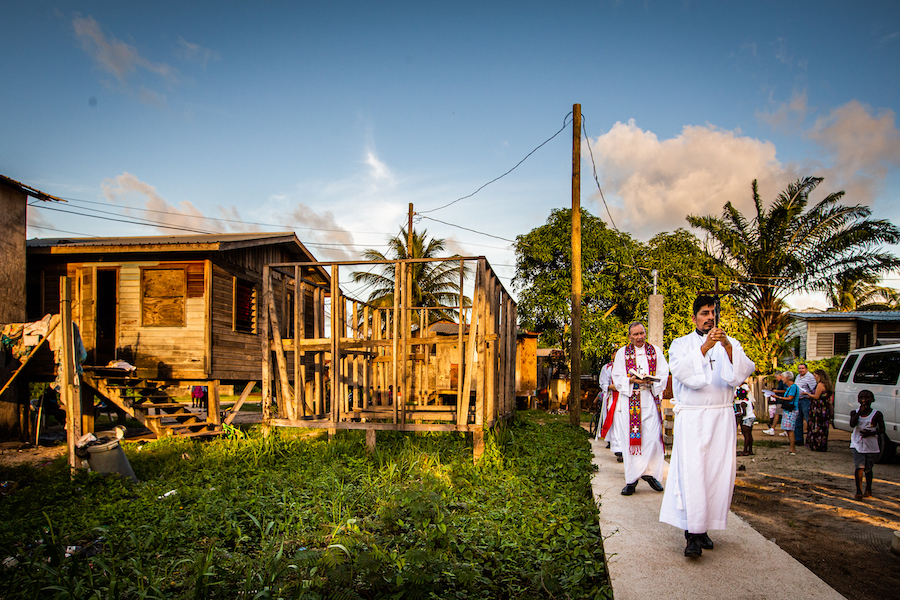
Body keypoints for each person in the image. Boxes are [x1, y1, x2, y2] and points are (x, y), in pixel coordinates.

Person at [659, 295, 755, 558]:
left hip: (721, 417)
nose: (710, 317)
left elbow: (744, 370)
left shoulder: (730, 342)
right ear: (694, 318)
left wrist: (726, 346)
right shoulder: (681, 344)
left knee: (716, 474)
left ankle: (704, 529)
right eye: (704, 313)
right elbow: (681, 372)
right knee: (693, 474)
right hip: (693, 418)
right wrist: (705, 347)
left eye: (713, 312)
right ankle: (691, 534)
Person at [611, 322, 669, 495]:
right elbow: (617, 376)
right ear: (629, 336)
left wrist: (653, 380)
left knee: (652, 439)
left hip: (649, 399)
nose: (639, 337)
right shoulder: (622, 353)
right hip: (631, 402)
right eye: (635, 334)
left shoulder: (655, 351)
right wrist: (631, 380)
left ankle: (650, 474)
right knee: (631, 442)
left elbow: (663, 373)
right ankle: (631, 480)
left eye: (642, 333)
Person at [850, 389, 885, 500]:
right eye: (861, 398)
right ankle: (858, 491)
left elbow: (882, 429)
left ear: (872, 400)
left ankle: (868, 489)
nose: (864, 400)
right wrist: (859, 413)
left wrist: (871, 433)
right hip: (857, 444)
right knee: (859, 467)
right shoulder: (854, 412)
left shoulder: (877, 414)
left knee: (868, 468)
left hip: (871, 445)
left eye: (866, 398)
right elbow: (852, 424)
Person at [806, 369, 834, 452]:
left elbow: (816, 396)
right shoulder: (828, 385)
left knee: (817, 426)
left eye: (815, 376)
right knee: (823, 426)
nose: (814, 377)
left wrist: (808, 394)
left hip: (818, 408)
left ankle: (816, 444)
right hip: (824, 408)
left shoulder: (820, 384)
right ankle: (822, 444)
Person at [775, 371, 800, 455]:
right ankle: (791, 448)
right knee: (788, 429)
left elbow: (790, 398)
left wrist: (779, 397)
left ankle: (792, 449)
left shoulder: (793, 387)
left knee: (790, 429)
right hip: (788, 410)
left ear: (787, 378)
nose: (782, 379)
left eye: (783, 377)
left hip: (791, 410)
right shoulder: (790, 387)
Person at [795, 363, 817, 446]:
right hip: (798, 399)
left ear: (806, 369)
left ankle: (811, 439)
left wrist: (809, 395)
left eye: (802, 368)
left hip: (806, 400)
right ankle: (799, 439)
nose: (801, 370)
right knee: (798, 420)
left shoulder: (810, 377)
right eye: (799, 368)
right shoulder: (798, 376)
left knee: (808, 419)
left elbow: (814, 389)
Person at [734, 384, 755, 456]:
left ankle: (745, 450)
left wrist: (737, 414)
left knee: (746, 435)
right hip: (752, 416)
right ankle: (750, 450)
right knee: (749, 434)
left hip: (747, 418)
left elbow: (744, 413)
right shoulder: (748, 400)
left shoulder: (743, 403)